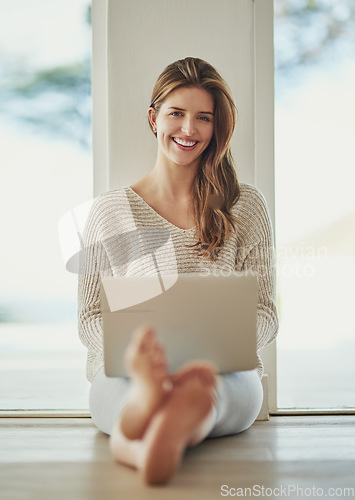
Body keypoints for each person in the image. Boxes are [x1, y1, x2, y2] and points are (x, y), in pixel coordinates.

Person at [78, 57, 278, 485]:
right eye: (177, 114)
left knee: (212, 390)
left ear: (217, 127)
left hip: (224, 373)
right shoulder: (109, 211)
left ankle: (147, 434)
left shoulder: (246, 207)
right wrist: (140, 364)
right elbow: (91, 317)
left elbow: (265, 312)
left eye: (203, 118)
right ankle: (164, 416)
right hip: (127, 375)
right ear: (154, 118)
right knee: (130, 392)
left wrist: (208, 356)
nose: (189, 130)